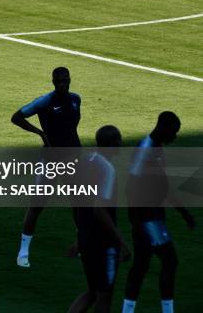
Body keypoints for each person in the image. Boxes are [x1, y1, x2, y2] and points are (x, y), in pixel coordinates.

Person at [122, 112, 195, 313]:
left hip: (153, 215)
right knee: (170, 261)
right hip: (148, 218)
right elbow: (131, 186)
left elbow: (164, 185)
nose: (175, 136)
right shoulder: (145, 149)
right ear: (164, 127)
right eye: (174, 131)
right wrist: (136, 221)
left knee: (141, 265)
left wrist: (183, 213)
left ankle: (127, 310)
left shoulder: (157, 148)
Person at [12, 66, 81, 268]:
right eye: (58, 81)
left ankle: (81, 245)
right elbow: (16, 117)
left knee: (79, 203)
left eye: (65, 80)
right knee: (38, 204)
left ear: (70, 80)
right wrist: (40, 133)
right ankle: (23, 252)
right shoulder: (46, 101)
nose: (61, 84)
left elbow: (71, 127)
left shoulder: (76, 99)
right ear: (53, 82)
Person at [68, 125, 130, 313]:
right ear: (112, 143)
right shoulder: (107, 169)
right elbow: (100, 210)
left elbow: (76, 203)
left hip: (87, 237)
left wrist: (80, 236)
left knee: (93, 291)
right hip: (102, 242)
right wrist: (121, 242)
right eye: (119, 139)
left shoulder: (86, 162)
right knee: (104, 294)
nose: (121, 143)